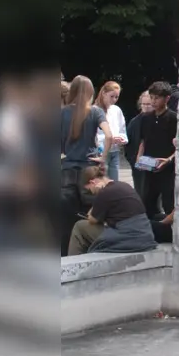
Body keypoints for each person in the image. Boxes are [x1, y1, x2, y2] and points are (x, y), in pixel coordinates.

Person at [59, 75, 114, 256]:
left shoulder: (61, 113)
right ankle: (90, 251)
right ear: (91, 92)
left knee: (66, 216)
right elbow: (109, 136)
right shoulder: (96, 112)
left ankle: (65, 254)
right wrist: (103, 158)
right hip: (90, 170)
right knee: (90, 215)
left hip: (67, 169)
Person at [67, 166, 157, 255]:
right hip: (145, 235)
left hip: (127, 238)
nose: (91, 192)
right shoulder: (124, 185)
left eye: (89, 189)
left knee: (79, 226)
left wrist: (98, 196)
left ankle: (73, 260)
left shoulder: (104, 192)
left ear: (92, 182)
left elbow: (91, 219)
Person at [136, 81, 178, 222]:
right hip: (149, 166)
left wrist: (169, 160)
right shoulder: (146, 118)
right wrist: (139, 157)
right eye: (152, 97)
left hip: (167, 168)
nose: (153, 101)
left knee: (169, 202)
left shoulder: (173, 118)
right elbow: (143, 140)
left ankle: (168, 229)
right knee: (147, 201)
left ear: (167, 98)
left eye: (157, 98)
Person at [94, 81, 128, 182]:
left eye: (116, 97)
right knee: (101, 181)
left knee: (114, 181)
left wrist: (122, 139)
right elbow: (93, 134)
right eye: (111, 96)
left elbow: (122, 129)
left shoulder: (116, 110)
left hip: (115, 151)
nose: (114, 100)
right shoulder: (94, 110)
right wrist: (108, 139)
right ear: (104, 93)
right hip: (101, 151)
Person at [124, 90, 154, 202]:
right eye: (143, 104)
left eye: (148, 104)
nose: (145, 107)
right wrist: (133, 160)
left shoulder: (159, 120)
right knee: (140, 191)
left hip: (155, 163)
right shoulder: (134, 122)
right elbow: (128, 142)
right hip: (139, 164)